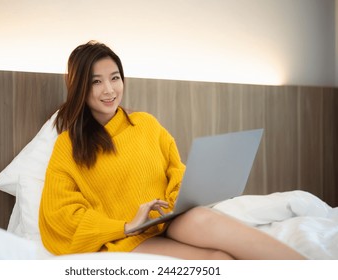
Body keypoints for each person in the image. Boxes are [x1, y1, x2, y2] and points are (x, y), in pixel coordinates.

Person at [38, 40, 305, 260]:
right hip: (128, 236)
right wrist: (127, 224)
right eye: (96, 82)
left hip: (168, 219)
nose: (109, 90)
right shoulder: (68, 145)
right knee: (220, 260)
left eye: (115, 78)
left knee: (209, 223)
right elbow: (60, 217)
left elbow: (176, 171)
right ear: (79, 87)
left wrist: (177, 201)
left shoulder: (146, 124)